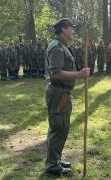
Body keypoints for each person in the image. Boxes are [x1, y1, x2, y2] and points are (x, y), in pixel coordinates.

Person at [44, 18, 90, 176]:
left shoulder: (62, 46)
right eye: (71, 28)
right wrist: (79, 74)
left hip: (62, 92)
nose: (73, 31)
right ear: (63, 29)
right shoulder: (57, 47)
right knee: (58, 127)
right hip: (58, 92)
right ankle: (51, 165)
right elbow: (56, 73)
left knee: (61, 127)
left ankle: (55, 159)